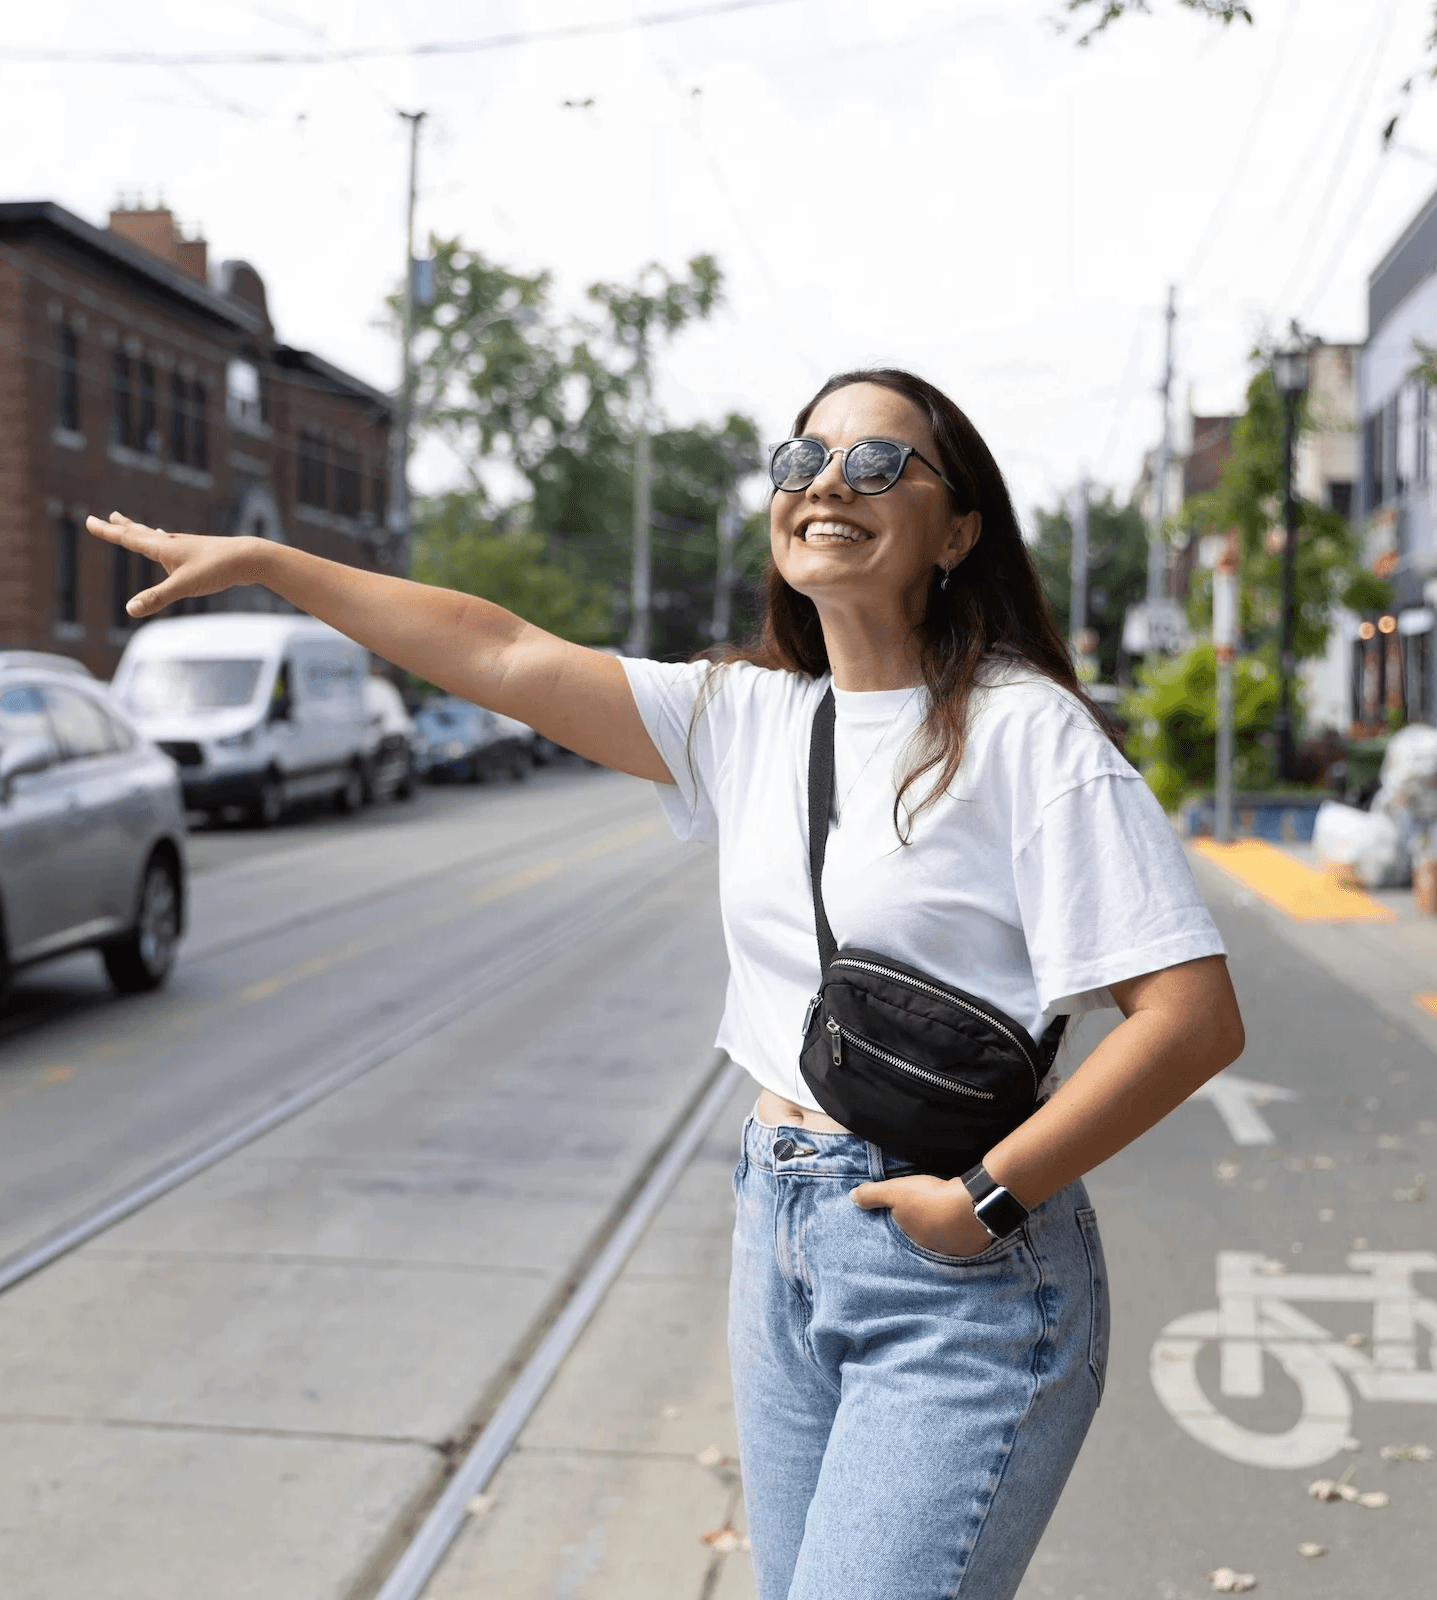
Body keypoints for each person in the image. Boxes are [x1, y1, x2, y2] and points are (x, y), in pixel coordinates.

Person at [87, 367, 1243, 1599]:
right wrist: (278, 564)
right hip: (780, 1229)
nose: (826, 487)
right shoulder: (744, 718)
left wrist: (983, 1204)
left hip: (959, 1272)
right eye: (801, 462)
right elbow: (499, 648)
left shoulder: (1025, 733)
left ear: (957, 529)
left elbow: (1189, 1018)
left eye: (875, 463)